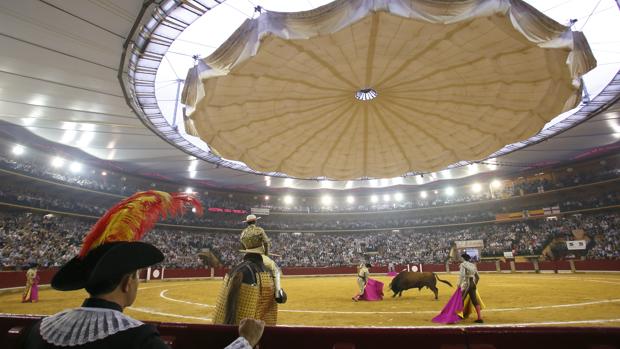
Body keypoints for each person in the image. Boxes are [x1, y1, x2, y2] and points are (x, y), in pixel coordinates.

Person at [23, 191, 264, 349]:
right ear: (128, 282)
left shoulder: (41, 330)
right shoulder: (138, 340)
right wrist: (245, 341)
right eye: (137, 276)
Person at [212, 214, 286, 325]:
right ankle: (278, 293)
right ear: (255, 221)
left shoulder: (243, 233)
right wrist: (265, 253)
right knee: (275, 268)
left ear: (246, 223)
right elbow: (266, 243)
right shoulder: (259, 230)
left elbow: (243, 247)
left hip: (247, 254)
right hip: (258, 254)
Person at [432, 253, 484, 324]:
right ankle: (479, 318)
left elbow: (462, 276)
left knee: (460, 300)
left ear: (463, 258)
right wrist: (474, 284)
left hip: (466, 285)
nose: (460, 259)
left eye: (461, 258)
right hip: (472, 284)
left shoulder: (463, 265)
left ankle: (455, 317)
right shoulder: (473, 265)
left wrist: (459, 285)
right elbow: (478, 277)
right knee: (474, 300)